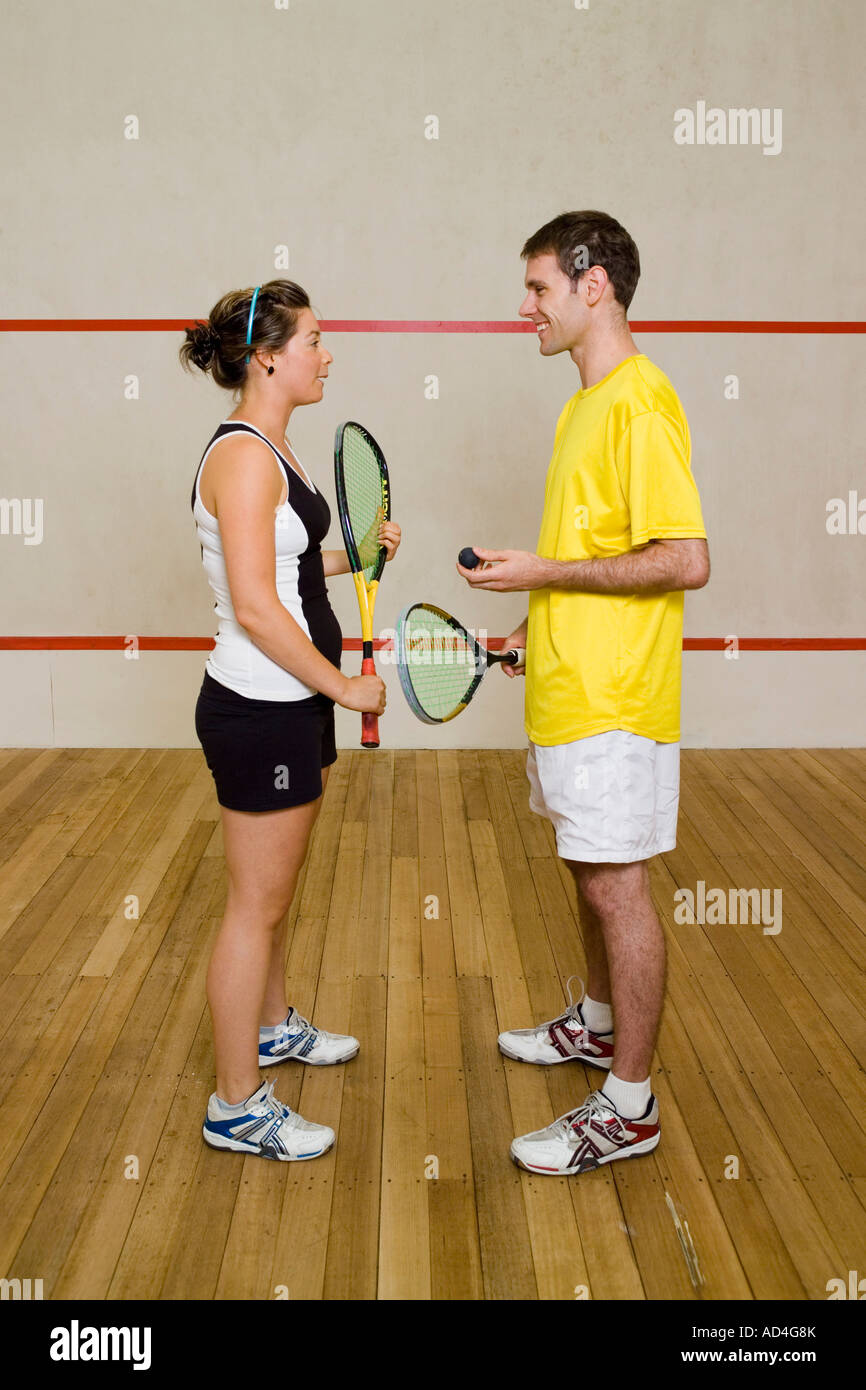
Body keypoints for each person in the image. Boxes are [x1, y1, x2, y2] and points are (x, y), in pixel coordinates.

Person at [457, 212, 709, 1175]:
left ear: (592, 283)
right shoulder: (583, 404)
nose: (525, 308)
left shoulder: (641, 403)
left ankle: (630, 1107)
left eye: (538, 289)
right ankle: (599, 1029)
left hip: (615, 704)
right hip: (567, 691)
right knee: (588, 877)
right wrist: (535, 624)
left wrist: (542, 573)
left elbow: (685, 559)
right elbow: (593, 557)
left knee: (618, 887)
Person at [180, 280, 401, 1161]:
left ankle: (272, 1028)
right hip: (258, 709)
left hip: (291, 703)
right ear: (267, 356)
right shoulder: (242, 457)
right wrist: (346, 689)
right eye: (314, 339)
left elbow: (295, 560)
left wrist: (358, 553)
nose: (327, 352)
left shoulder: (281, 449)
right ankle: (235, 1105)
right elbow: (257, 607)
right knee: (252, 908)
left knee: (274, 902)